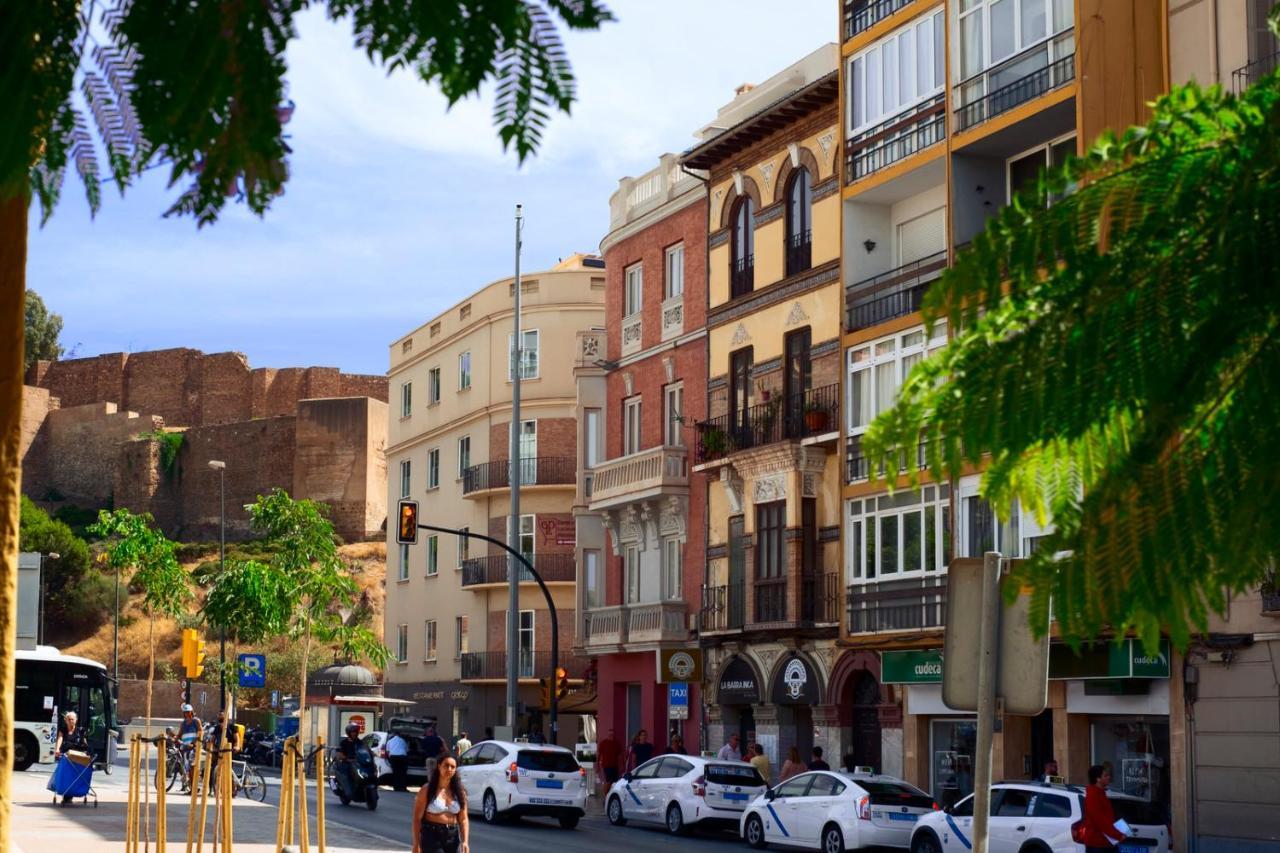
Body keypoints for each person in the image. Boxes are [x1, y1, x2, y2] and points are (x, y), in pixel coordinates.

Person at [413, 753, 469, 853]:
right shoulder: (427, 790)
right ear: (439, 766)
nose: (449, 769)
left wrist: (464, 842)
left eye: (453, 767)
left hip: (452, 836)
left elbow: (463, 819)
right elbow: (417, 819)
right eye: (446, 765)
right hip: (431, 835)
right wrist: (416, 844)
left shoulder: (460, 792)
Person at [1082, 764, 1127, 852]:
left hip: (1107, 842)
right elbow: (1100, 821)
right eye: (1105, 775)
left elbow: (1109, 818)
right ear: (1098, 779)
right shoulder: (1093, 795)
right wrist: (1118, 835)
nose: (1109, 777)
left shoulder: (1101, 793)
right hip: (1097, 844)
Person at [53, 711, 89, 804]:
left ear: (76, 720)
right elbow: (60, 738)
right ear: (66, 720)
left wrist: (87, 751)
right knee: (67, 775)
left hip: (77, 755)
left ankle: (70, 794)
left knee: (75, 775)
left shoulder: (80, 730)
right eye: (69, 719)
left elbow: (85, 743)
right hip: (66, 755)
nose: (71, 721)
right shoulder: (63, 730)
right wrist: (57, 749)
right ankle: (67, 795)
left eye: (72, 719)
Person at [336, 723, 363, 798]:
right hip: (347, 762)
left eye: (355, 731)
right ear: (349, 733)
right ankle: (347, 791)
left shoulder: (360, 742)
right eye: (352, 732)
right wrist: (346, 758)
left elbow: (366, 749)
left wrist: (372, 754)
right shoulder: (344, 743)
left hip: (358, 763)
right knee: (345, 774)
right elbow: (339, 754)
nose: (354, 733)